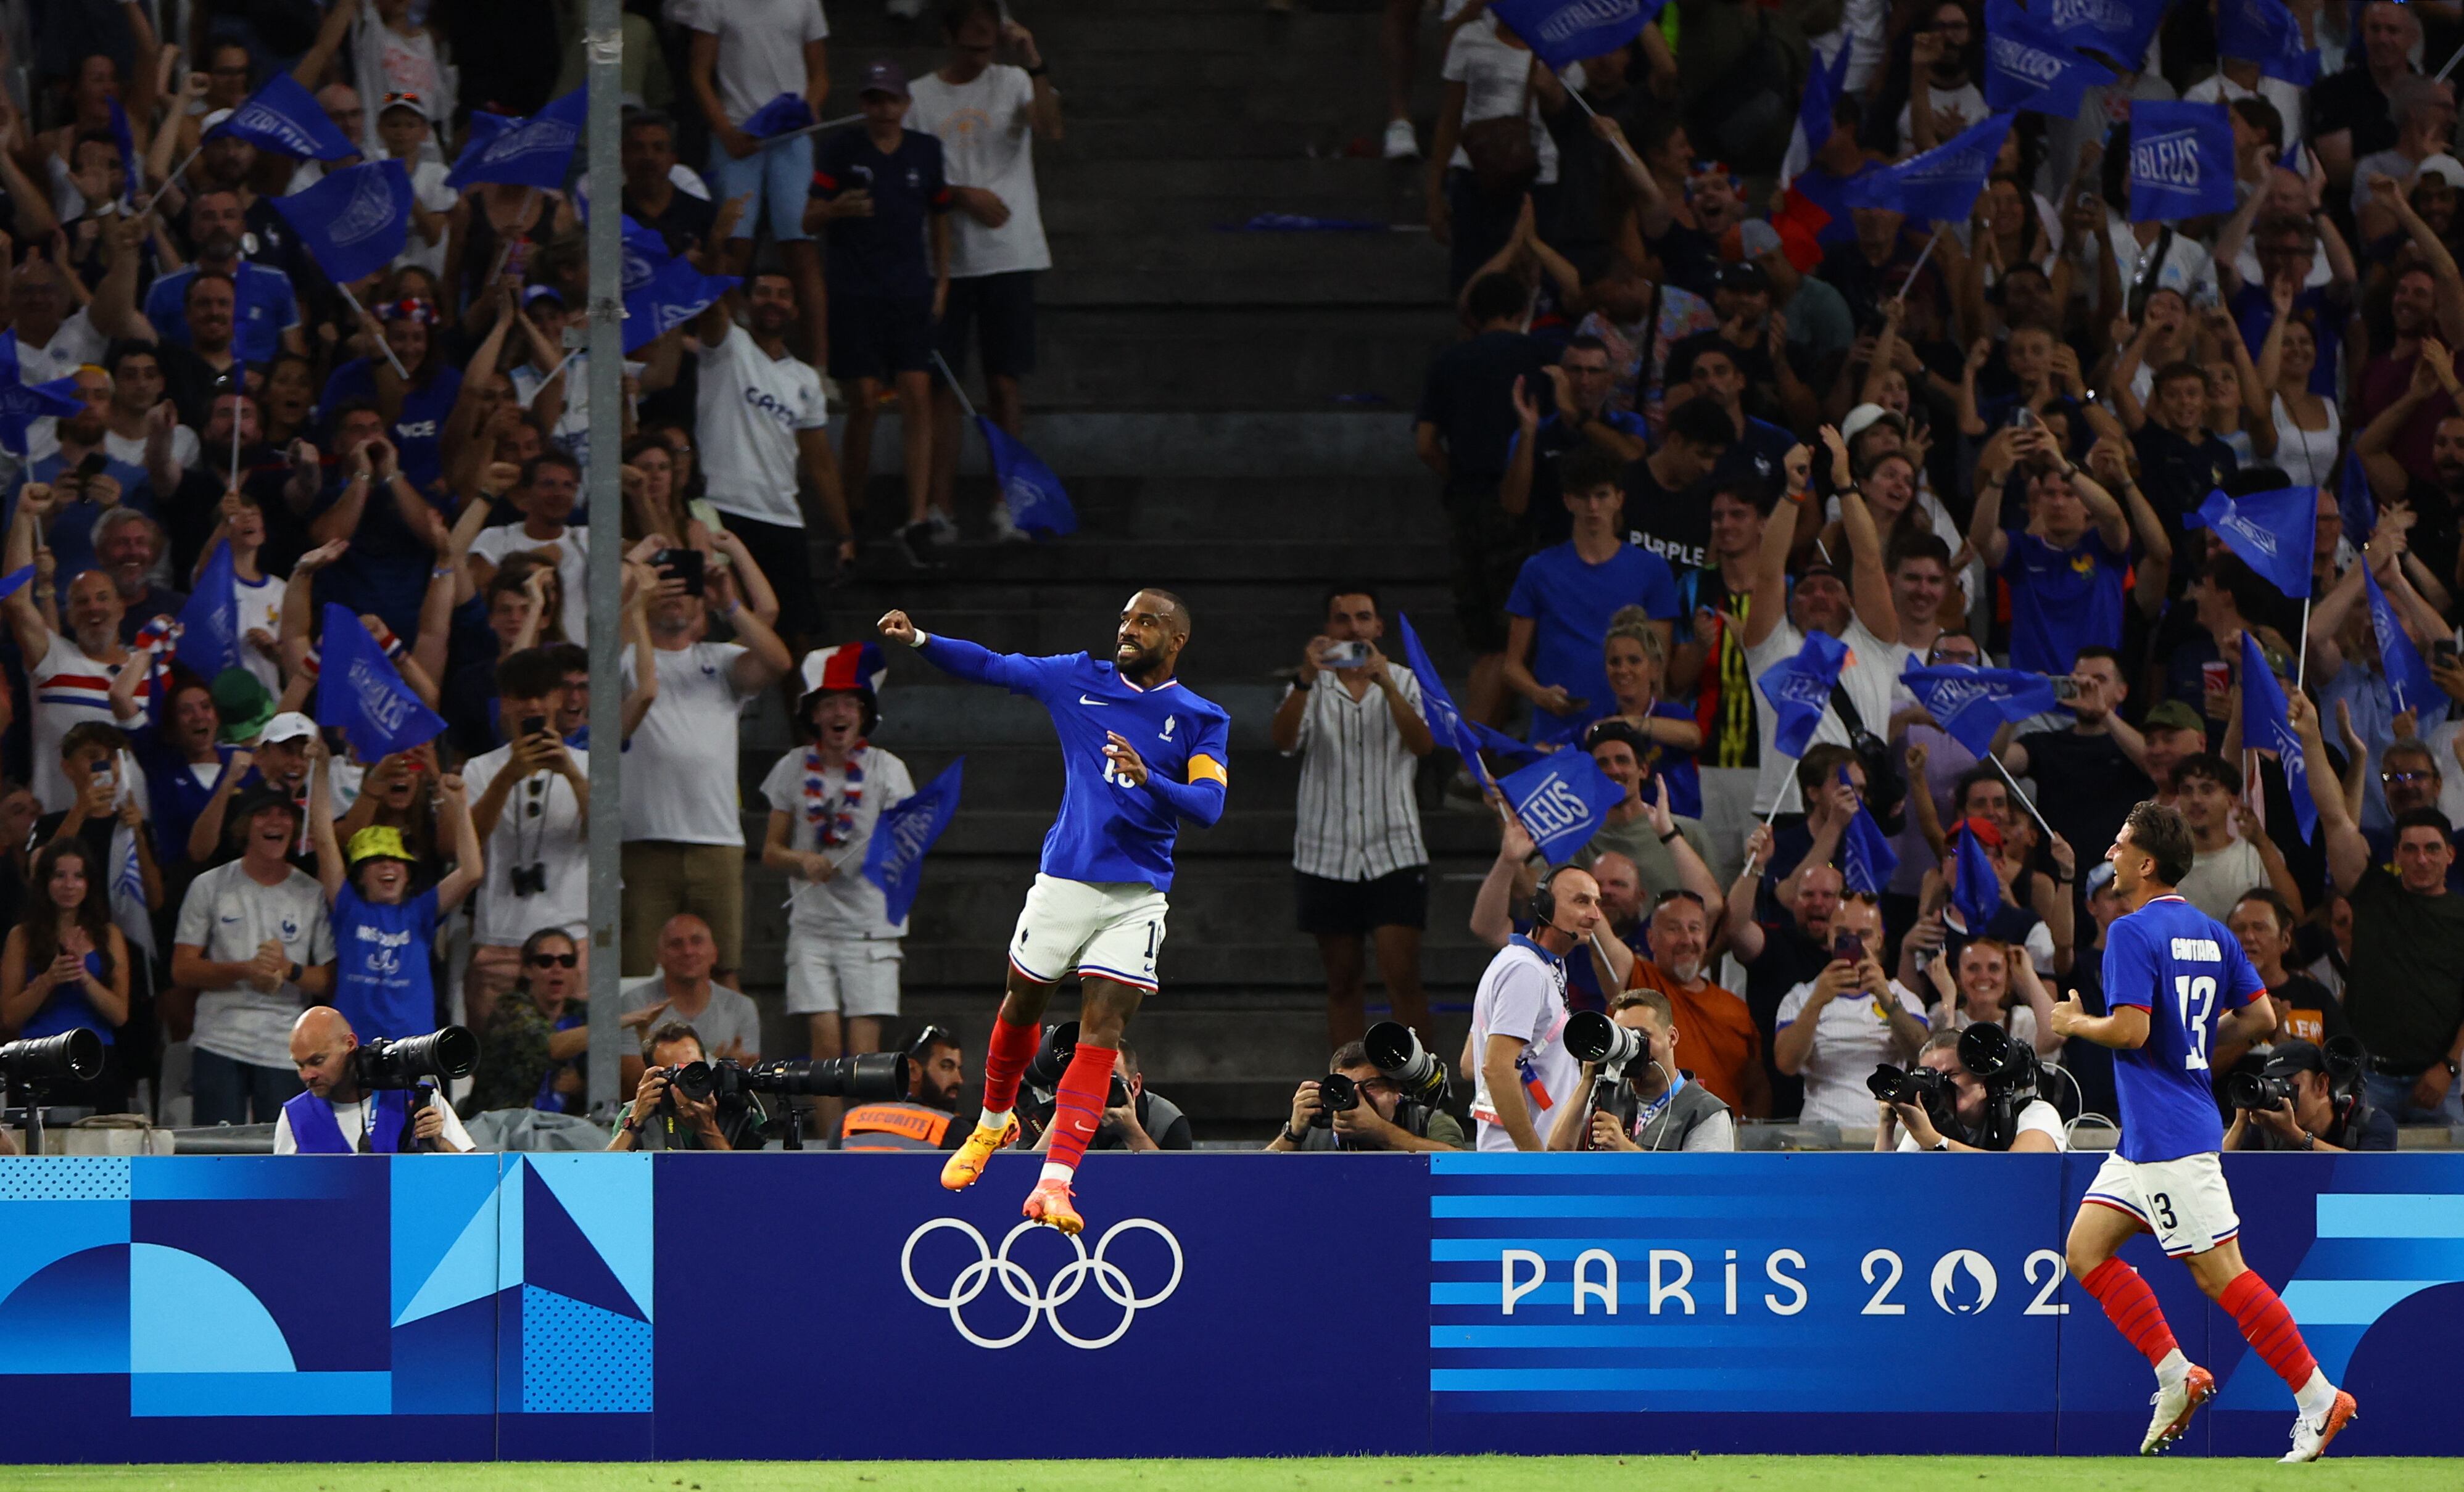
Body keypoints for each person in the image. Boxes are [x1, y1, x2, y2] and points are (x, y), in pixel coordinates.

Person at [880, 591, 1228, 1231]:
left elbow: (1207, 806)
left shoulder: (1201, 718)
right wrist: (921, 640)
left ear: (1176, 639)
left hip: (1137, 896)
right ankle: (991, 1125)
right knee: (1022, 1005)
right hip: (1065, 881)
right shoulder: (1077, 677)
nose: (1127, 629)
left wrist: (1150, 776)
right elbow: (993, 665)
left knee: (1101, 1033)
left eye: (1145, 622)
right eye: (1124, 618)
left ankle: (1055, 1183)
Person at [2054, 801, 2357, 1461]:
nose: (2110, 852)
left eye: (2119, 842)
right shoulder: (2213, 935)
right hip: (2147, 1137)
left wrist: (2073, 1025)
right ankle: (2175, 1374)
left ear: (2146, 861)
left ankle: (2317, 1395)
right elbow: (2261, 1019)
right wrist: (2191, 1047)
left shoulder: (2131, 933)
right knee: (2084, 1249)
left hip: (2168, 1135)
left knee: (2223, 1276)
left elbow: (2129, 1031)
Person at [910, 0, 1061, 542]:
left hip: (1011, 254)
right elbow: (912, 174)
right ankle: (940, 508)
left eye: (989, 42)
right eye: (972, 43)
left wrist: (1035, 62)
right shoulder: (920, 96)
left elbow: (1050, 129)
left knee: (1004, 382)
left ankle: (1007, 503)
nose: (983, 53)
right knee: (944, 388)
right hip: (947, 260)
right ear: (950, 37)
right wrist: (958, 195)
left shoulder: (1015, 80)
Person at [619, 541, 793, 985]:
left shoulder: (720, 659)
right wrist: (636, 581)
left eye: (685, 589)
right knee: (639, 970)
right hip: (644, 839)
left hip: (716, 838)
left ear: (701, 602)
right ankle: (640, 1059)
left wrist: (730, 602)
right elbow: (605, 624)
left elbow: (778, 662)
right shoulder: (624, 659)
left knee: (724, 967)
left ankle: (724, 1058)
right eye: (665, 586)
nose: (675, 595)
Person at [2286, 693, 2464, 1125]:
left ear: (2450, 856)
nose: (2421, 858)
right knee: (2358, 1189)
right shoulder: (2372, 889)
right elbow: (2332, 815)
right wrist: (2312, 736)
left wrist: (2449, 1067)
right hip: (2368, 1077)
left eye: (2432, 849)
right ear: (2396, 854)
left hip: (2440, 1082)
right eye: (2411, 849)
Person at [760, 643, 915, 1139]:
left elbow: (907, 845)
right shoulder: (791, 767)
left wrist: (878, 856)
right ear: (813, 714)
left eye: (850, 702)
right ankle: (829, 1150)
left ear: (865, 712)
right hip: (812, 927)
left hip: (871, 928)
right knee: (825, 1045)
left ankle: (865, 1148)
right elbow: (770, 850)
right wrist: (801, 860)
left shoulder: (888, 769)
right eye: (828, 703)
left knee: (865, 1053)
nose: (839, 712)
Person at [1270, 587, 1434, 1049]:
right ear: (1328, 630)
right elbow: (1283, 740)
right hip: (1327, 853)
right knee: (1342, 981)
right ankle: (1349, 1085)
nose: (1354, 627)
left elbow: (1423, 745)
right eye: (1342, 619)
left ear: (1379, 627)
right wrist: (1305, 676)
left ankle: (1421, 1082)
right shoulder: (1310, 684)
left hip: (1395, 849)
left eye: (1363, 617)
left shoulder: (1403, 679)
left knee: (1402, 976)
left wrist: (1385, 683)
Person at [808, 60, 952, 567]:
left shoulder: (925, 150)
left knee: (916, 394)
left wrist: (943, 280)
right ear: (864, 103)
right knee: (865, 401)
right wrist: (837, 208)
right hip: (855, 290)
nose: (883, 108)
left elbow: (939, 216)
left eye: (891, 98)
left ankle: (915, 518)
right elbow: (809, 215)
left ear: (904, 103)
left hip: (909, 290)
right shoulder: (842, 149)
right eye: (874, 99)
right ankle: (853, 510)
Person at [1414, 272, 1554, 729]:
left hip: (1464, 507)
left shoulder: (1450, 360)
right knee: (1506, 641)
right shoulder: (1537, 357)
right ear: (1521, 312)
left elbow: (1426, 444)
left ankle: (1480, 752)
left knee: (1486, 643)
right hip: (1517, 509)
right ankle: (1469, 763)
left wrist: (1460, 477)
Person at [690, 271, 848, 638]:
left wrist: (845, 533)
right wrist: (715, 255)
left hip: (782, 515)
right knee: (729, 624)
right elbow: (712, 311)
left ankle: (796, 700)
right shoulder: (728, 345)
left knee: (794, 633)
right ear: (746, 302)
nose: (773, 301)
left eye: (783, 295)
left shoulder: (806, 379)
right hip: (721, 508)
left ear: (795, 308)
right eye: (763, 293)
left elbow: (820, 462)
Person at [171, 788, 337, 1125]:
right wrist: (246, 969)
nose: (276, 822)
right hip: (219, 1040)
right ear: (245, 826)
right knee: (217, 1158)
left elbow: (329, 980)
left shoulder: (311, 892)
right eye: (264, 814)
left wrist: (287, 969)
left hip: (285, 1047)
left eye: (285, 815)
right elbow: (182, 969)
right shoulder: (209, 885)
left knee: (282, 1159)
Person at [681, 0, 831, 360]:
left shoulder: (806, 2)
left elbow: (820, 76)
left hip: (790, 137)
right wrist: (725, 131)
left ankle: (820, 367)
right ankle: (730, 354)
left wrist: (807, 110)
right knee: (735, 247)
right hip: (736, 135)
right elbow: (699, 74)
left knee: (800, 247)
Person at [1503, 446, 1679, 748]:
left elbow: (1658, 669)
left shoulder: (1652, 570)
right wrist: (1540, 695)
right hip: (1554, 732)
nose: (1593, 507)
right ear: (1568, 501)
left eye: (1601, 495)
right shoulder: (1538, 570)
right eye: (1584, 497)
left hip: (1624, 735)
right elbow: (1512, 665)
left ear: (1619, 499)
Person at [305, 740, 479, 1043]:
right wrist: (319, 770)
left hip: (414, 1052)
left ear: (409, 874)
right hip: (355, 1052)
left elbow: (473, 872)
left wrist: (460, 805)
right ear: (360, 876)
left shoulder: (420, 912)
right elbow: (323, 839)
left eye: (397, 861)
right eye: (376, 861)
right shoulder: (348, 907)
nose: (389, 868)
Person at [460, 648, 590, 1030]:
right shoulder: (481, 769)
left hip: (569, 948)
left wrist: (570, 772)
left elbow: (609, 838)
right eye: (521, 695)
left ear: (557, 699)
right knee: (495, 1074)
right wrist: (508, 776)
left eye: (541, 694)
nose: (532, 705)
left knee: (572, 1078)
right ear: (505, 703)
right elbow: (465, 844)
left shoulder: (588, 765)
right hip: (498, 941)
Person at [1469, 863, 1603, 1152]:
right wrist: (1534, 1160)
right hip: (1520, 1164)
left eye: (1596, 903)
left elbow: (1470, 1063)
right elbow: (1496, 1068)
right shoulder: (1524, 971)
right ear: (1544, 906)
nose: (1595, 915)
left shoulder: (1537, 964)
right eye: (1582, 901)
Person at [1772, 892, 1929, 1127]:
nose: (1856, 943)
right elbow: (1786, 1064)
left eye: (1864, 935)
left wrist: (1886, 999)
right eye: (1844, 934)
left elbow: (1921, 1055)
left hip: (1884, 1130)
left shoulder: (1903, 998)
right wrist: (1817, 1002)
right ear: (1830, 937)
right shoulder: (1800, 996)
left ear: (1879, 939)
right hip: (1822, 1129)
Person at [0, 839, 133, 1115]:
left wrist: (83, 977)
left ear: (89, 883)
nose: (69, 885)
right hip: (37, 1060)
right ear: (45, 881)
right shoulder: (21, 937)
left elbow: (120, 1015)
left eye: (78, 876)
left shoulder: (109, 935)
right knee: (39, 1151)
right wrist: (49, 979)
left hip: (95, 1058)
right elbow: (10, 1016)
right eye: (60, 876)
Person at [1547, 987, 1736, 1152]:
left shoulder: (1706, 1112)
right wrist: (1587, 1080)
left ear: (1672, 1037)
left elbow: (1700, 1188)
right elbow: (1556, 1153)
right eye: (1624, 1035)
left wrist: (1626, 1149)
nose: (1634, 1047)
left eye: (1642, 1035)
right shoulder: (1606, 1094)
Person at [272, 1006, 473, 1155]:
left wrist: (439, 1142)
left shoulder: (419, 1100)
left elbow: (476, 1180)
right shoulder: (294, 1116)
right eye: (300, 1065)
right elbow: (281, 1199)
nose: (308, 1075)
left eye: (317, 1061)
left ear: (350, 1044)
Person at [617, 914, 763, 1092]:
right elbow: (632, 1081)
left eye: (697, 941)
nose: (688, 951)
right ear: (659, 957)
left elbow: (749, 1079)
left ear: (714, 953)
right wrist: (718, 1069)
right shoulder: (636, 1002)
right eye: (676, 944)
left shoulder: (742, 1007)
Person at [1874, 1026, 2065, 1153]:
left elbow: (2019, 1172)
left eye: (1950, 1075)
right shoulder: (1929, 1127)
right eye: (1929, 1079)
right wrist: (1886, 1127)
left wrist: (1937, 1142)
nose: (1939, 1086)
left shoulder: (2038, 1114)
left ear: (1982, 1076)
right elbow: (1883, 1189)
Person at [1266, 1039, 1467, 1152]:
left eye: (1370, 1085)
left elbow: (1463, 1169)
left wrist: (1379, 1132)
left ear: (1397, 1090)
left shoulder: (1428, 1122)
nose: (1357, 1095)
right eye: (1344, 1086)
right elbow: (1253, 1179)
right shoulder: (1314, 1130)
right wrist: (1293, 1134)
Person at [2223, 1039, 2398, 1153]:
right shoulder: (2267, 1127)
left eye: (2288, 1084)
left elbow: (2366, 1174)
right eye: (2273, 1083)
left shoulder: (2371, 1123)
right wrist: (2241, 1122)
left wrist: (2296, 1136)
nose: (2281, 1095)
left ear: (2322, 1084)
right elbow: (2213, 1176)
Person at [610, 1020, 750, 1153]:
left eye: (696, 1068)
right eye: (678, 1071)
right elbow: (602, 1174)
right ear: (656, 1077)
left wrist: (708, 1130)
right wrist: (634, 1124)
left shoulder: (738, 1114)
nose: (692, 1078)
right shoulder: (638, 1112)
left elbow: (750, 1178)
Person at [842, 1025, 967, 1152]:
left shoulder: (847, 1121)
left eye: (959, 1069)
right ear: (912, 1070)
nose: (959, 1080)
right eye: (946, 1067)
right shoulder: (952, 1128)